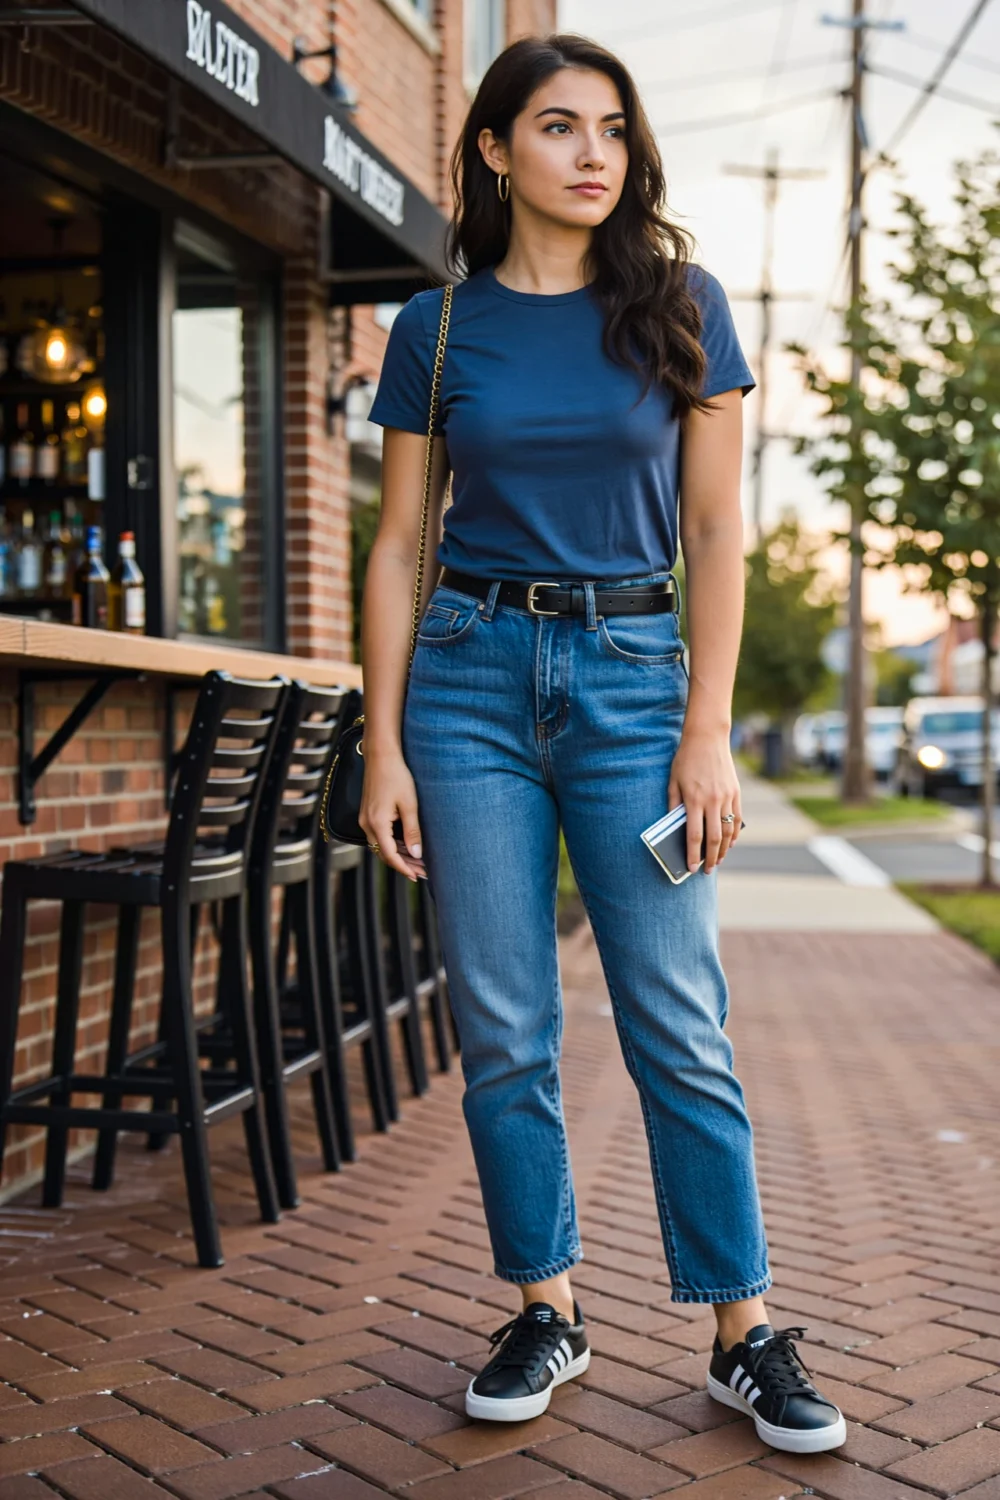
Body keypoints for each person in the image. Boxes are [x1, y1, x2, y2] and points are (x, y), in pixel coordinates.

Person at [358, 31, 846, 1455]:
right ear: (496, 149)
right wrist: (383, 745)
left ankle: (741, 1332)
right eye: (560, 126)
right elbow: (396, 549)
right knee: (505, 1024)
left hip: (636, 681)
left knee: (676, 1019)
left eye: (615, 129)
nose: (593, 153)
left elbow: (713, 531)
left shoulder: (680, 306)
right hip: (466, 683)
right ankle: (545, 1305)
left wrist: (710, 728)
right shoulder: (435, 330)